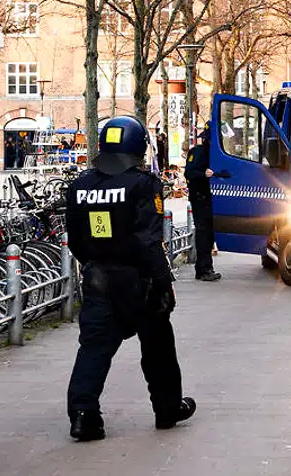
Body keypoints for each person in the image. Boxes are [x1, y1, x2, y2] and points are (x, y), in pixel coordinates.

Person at [64, 117, 196, 441]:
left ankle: (83, 416)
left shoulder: (80, 186)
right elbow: (151, 240)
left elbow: (76, 240)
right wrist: (164, 283)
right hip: (140, 280)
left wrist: (97, 263)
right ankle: (166, 408)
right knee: (158, 346)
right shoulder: (143, 184)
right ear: (138, 148)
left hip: (97, 278)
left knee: (93, 349)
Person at [183, 126, 221, 281]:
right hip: (200, 197)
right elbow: (189, 173)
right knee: (203, 233)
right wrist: (203, 174)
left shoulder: (213, 153)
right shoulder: (198, 152)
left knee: (209, 233)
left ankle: (205, 267)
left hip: (207, 197)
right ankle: (203, 270)